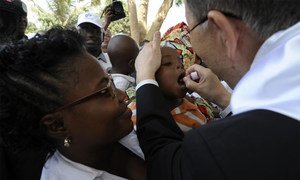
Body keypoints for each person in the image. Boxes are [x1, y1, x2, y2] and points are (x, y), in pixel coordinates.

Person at [134, 0, 300, 179]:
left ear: (223, 31)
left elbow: (167, 164)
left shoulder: (220, 149)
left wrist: (144, 76)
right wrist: (224, 98)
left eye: (190, 31)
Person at [0, 27, 146, 180]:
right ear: (57, 125)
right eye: (105, 91)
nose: (123, 96)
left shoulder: (123, 135)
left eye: (112, 83)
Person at [129, 46, 214, 132]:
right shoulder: (132, 112)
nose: (179, 66)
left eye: (181, 63)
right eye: (167, 63)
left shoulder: (195, 117)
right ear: (147, 74)